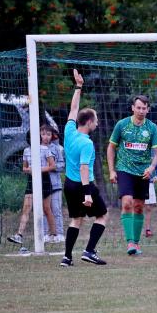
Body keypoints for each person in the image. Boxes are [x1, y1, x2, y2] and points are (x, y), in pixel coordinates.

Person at [60, 69, 108, 266]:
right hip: (83, 185)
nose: (97, 123)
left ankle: (67, 257)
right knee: (102, 215)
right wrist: (88, 193)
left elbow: (73, 109)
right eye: (95, 121)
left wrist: (78, 87)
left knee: (76, 219)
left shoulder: (69, 131)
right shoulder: (87, 143)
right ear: (88, 122)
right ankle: (89, 251)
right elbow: (84, 168)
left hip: (69, 185)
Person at [107, 94, 157, 256]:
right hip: (124, 169)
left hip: (143, 172)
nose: (141, 111)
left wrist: (151, 167)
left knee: (138, 207)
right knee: (127, 203)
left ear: (148, 109)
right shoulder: (122, 125)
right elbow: (111, 148)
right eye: (138, 107)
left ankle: (136, 243)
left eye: (144, 108)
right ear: (133, 108)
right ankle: (130, 242)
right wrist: (112, 170)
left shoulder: (152, 128)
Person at [6, 126, 58, 250]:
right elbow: (24, 168)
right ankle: (19, 235)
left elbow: (52, 166)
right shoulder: (26, 151)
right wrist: (29, 170)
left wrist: (38, 170)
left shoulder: (45, 149)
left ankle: (54, 234)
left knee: (46, 208)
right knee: (26, 208)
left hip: (44, 180)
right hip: (31, 180)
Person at [42, 128, 66, 243]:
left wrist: (52, 166)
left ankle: (59, 234)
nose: (46, 136)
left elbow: (62, 164)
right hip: (42, 185)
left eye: (48, 134)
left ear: (52, 136)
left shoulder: (56, 149)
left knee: (56, 209)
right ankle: (46, 234)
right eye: (43, 134)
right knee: (44, 210)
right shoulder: (36, 149)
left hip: (55, 184)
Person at [143, 153, 157, 238]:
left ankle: (147, 229)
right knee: (136, 206)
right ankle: (134, 228)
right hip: (136, 181)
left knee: (148, 207)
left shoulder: (155, 152)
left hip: (149, 183)